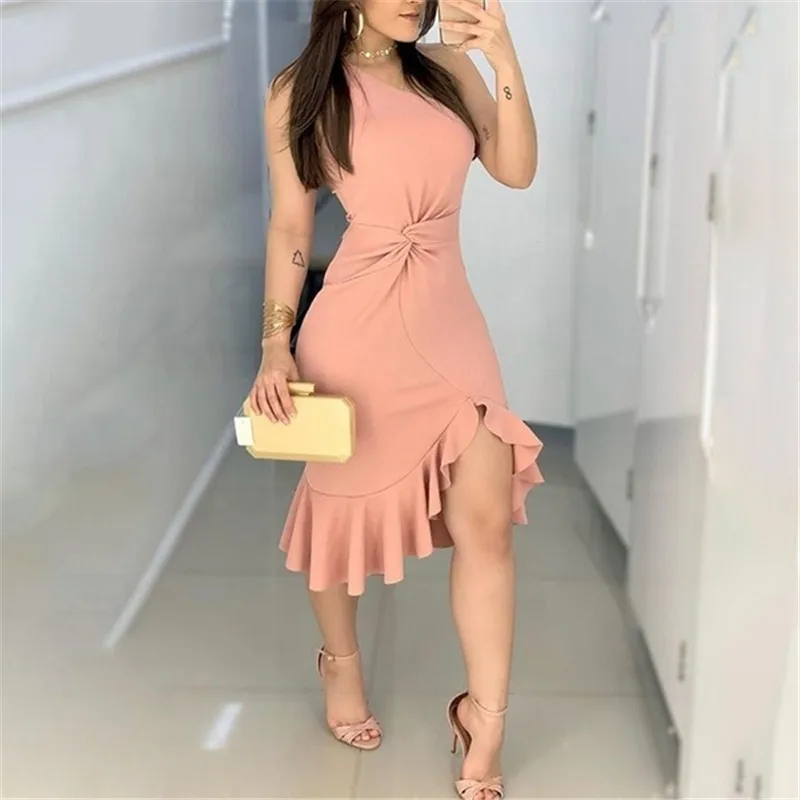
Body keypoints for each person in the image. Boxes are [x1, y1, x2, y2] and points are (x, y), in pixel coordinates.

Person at [248, 0, 543, 797]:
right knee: (340, 519)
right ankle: (340, 663)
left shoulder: (448, 69)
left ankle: (485, 719)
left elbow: (516, 169)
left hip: (449, 325)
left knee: (487, 523)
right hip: (355, 330)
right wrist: (275, 342)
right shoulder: (300, 90)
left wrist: (504, 60)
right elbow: (291, 227)